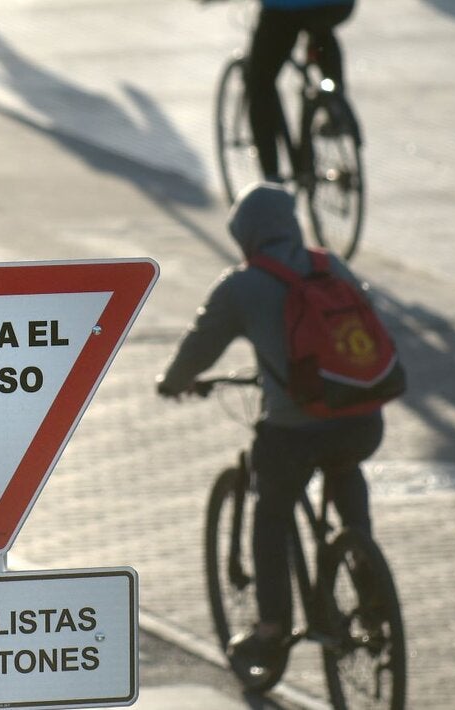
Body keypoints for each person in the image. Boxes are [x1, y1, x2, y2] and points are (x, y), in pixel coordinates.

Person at [155, 182, 385, 684]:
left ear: (246, 235)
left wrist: (173, 384)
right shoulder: (327, 265)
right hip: (363, 418)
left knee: (271, 511)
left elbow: (199, 347)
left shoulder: (243, 285)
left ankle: (271, 626)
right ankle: (370, 587)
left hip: (296, 433)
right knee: (345, 466)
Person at [247, 0, 357, 182]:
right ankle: (335, 103)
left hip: (286, 9)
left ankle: (271, 180)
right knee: (320, 28)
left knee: (260, 83)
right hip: (337, 5)